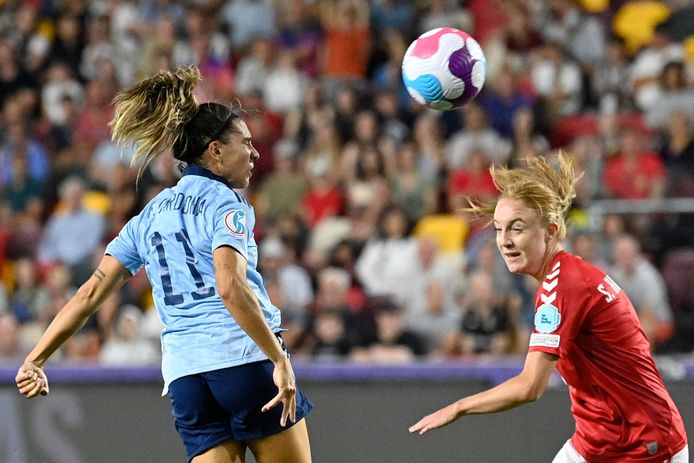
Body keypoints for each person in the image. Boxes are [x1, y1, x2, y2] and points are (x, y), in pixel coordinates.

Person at [15, 65, 313, 463]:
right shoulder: (227, 205)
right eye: (245, 141)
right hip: (243, 359)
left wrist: (35, 358)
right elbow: (229, 286)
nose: (255, 152)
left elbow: (88, 294)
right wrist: (278, 359)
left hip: (187, 377)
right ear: (215, 151)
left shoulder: (149, 215)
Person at [409, 153, 689, 463]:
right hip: (596, 440)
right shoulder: (564, 277)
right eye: (499, 230)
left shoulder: (564, 286)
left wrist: (458, 406)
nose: (504, 242)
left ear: (551, 231)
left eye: (517, 228)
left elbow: (530, 386)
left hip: (641, 444)